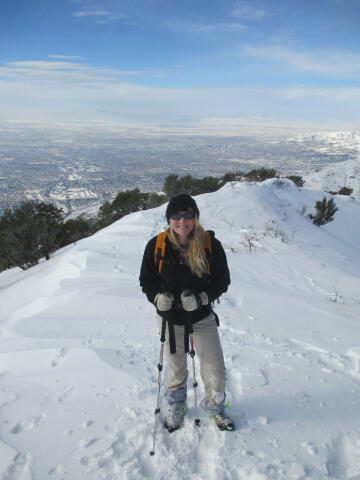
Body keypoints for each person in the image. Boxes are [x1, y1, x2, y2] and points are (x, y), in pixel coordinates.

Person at [139, 193, 234, 432]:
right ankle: (177, 405)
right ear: (169, 218)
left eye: (188, 215)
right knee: (176, 365)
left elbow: (222, 281)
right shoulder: (157, 246)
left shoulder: (210, 245)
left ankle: (215, 407)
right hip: (170, 319)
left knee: (215, 367)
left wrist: (202, 298)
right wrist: (156, 298)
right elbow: (146, 280)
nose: (183, 221)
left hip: (201, 317)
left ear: (196, 217)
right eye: (176, 216)